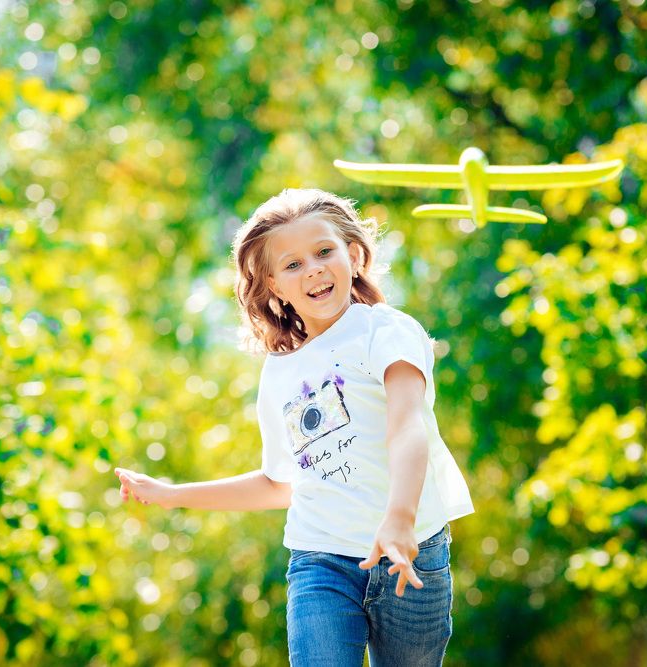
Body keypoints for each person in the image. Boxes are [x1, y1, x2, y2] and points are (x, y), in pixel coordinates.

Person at [114, 188, 474, 666]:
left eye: (324, 252)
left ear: (354, 255)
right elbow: (280, 484)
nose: (314, 270)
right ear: (273, 286)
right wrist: (172, 494)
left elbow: (407, 426)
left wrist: (401, 518)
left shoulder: (386, 331)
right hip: (320, 560)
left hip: (413, 549)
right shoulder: (280, 372)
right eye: (293, 264)